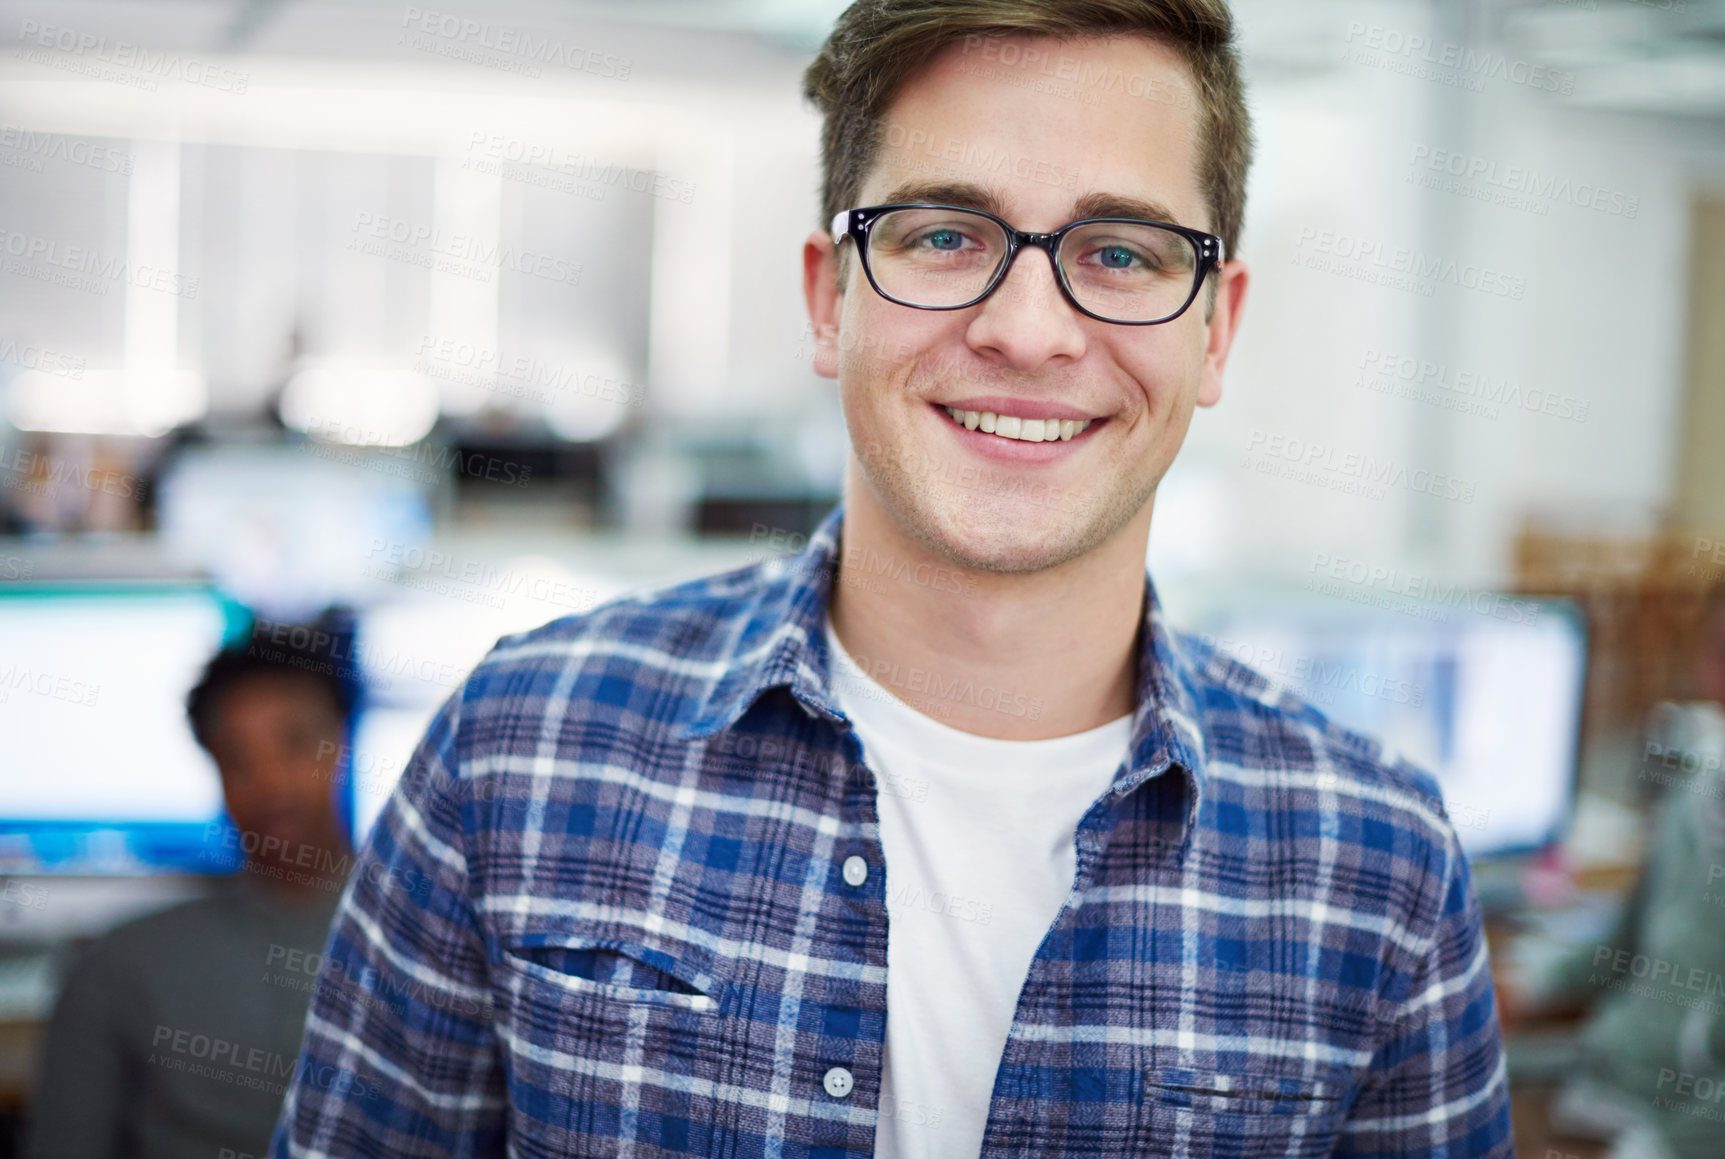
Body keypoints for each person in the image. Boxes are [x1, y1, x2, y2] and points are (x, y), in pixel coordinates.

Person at [272, 2, 1512, 1156]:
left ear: (1216, 329)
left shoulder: (1377, 865)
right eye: (943, 235)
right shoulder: (522, 746)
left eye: (1124, 253)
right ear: (829, 299)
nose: (1028, 330)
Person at [29, 625, 354, 1159]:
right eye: (238, 757)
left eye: (294, 742)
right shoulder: (120, 969)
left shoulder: (441, 942)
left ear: (340, 743)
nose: (270, 781)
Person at [1505, 583, 1725, 1159]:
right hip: (1603, 1087)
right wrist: (1529, 987)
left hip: (1675, 1133)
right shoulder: (1698, 793)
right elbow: (1622, 948)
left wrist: (1656, 1149)